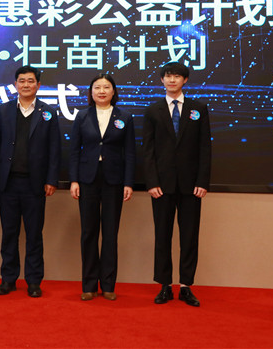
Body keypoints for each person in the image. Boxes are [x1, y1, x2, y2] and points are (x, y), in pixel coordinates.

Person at [0, 65, 61, 298]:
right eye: (22, 81)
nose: (26, 84)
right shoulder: (4, 110)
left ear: (38, 85)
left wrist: (51, 179)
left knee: (34, 235)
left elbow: (55, 150)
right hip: (8, 183)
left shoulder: (48, 113)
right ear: (15, 85)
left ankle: (34, 281)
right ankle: (8, 279)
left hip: (35, 185)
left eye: (30, 81)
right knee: (9, 233)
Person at [143, 62, 211, 307]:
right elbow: (148, 150)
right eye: (168, 76)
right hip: (161, 186)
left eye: (177, 76)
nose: (172, 80)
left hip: (191, 186)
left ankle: (185, 286)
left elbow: (205, 147)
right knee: (162, 236)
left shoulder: (198, 109)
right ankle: (164, 285)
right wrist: (152, 182)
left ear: (185, 80)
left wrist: (202, 181)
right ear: (161, 80)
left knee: (189, 237)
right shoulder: (153, 110)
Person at [69, 74, 135, 301]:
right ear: (91, 92)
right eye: (97, 87)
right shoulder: (82, 116)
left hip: (114, 180)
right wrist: (74, 180)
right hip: (87, 179)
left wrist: (128, 182)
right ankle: (88, 285)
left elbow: (130, 153)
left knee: (110, 233)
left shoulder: (124, 116)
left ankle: (108, 284)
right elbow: (74, 150)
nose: (102, 91)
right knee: (88, 233)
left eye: (107, 87)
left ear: (113, 91)